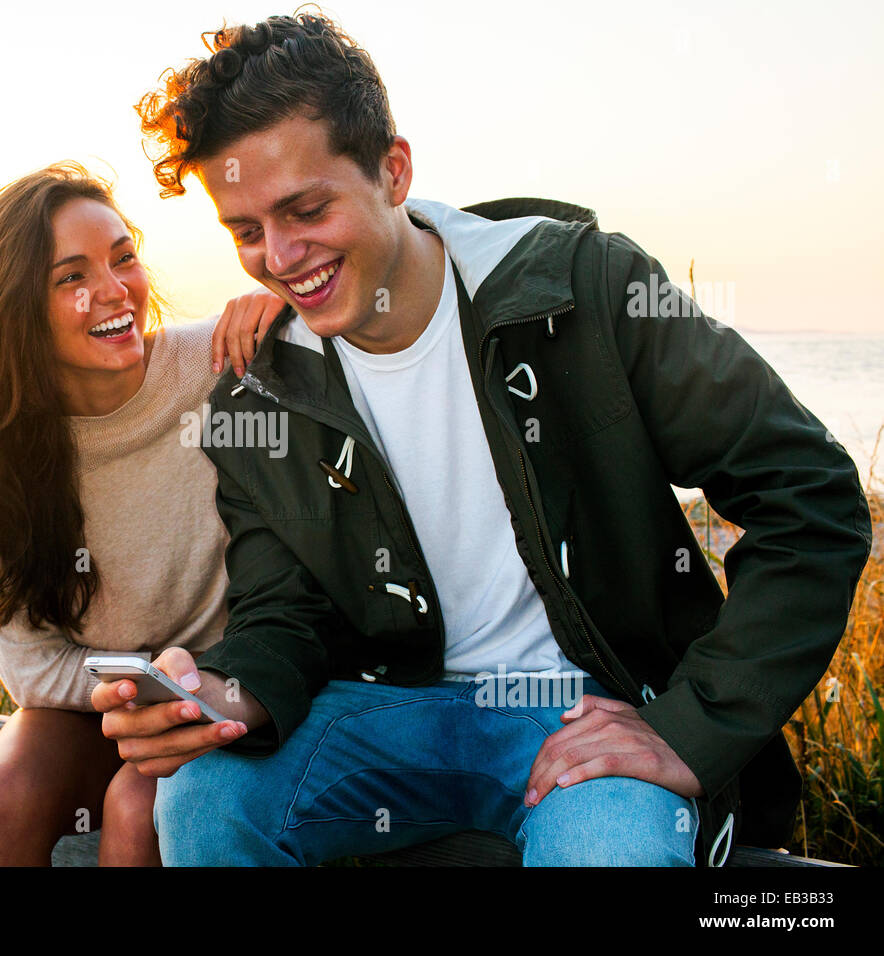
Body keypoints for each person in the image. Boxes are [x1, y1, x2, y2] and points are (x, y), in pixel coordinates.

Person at [93, 13, 873, 866]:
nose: (280, 257)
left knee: (610, 855)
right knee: (202, 797)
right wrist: (225, 691)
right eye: (245, 231)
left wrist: (689, 726)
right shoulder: (259, 392)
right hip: (389, 714)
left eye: (306, 209)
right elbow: (288, 614)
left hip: (588, 715)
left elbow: (809, 498)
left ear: (394, 171)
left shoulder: (585, 290)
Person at [0, 161, 280, 865]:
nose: (113, 292)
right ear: (17, 309)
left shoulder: (217, 363)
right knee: (0, 802)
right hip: (105, 700)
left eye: (124, 259)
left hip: (233, 687)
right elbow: (29, 668)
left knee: (136, 807)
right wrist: (139, 684)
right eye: (72, 277)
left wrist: (278, 305)